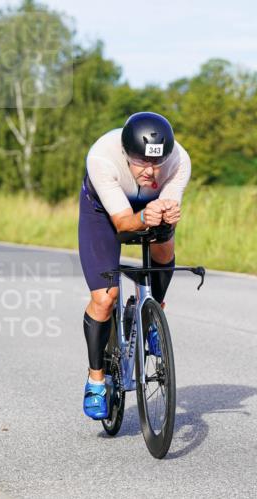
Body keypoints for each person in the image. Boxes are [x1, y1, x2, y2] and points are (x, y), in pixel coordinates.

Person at [78, 111, 191, 420]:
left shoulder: (180, 160)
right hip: (104, 211)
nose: (151, 172)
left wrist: (166, 213)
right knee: (105, 298)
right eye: (142, 163)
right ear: (127, 153)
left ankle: (154, 312)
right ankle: (96, 380)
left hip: (148, 208)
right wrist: (143, 218)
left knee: (165, 244)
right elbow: (123, 224)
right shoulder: (103, 158)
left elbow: (167, 206)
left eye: (158, 163)